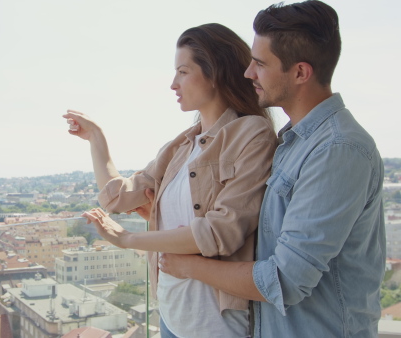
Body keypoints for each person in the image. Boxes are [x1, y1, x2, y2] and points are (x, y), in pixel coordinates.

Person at [134, 1, 385, 337]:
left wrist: (192, 265)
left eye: (261, 64)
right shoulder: (293, 143)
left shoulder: (337, 151)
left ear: (300, 72)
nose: (248, 72)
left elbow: (285, 280)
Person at [65, 23, 277, 337]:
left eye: (182, 71)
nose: (173, 84)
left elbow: (222, 232)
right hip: (171, 315)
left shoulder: (252, 134)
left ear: (214, 73)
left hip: (214, 323)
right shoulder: (180, 147)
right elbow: (120, 198)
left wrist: (128, 239)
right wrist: (96, 138)